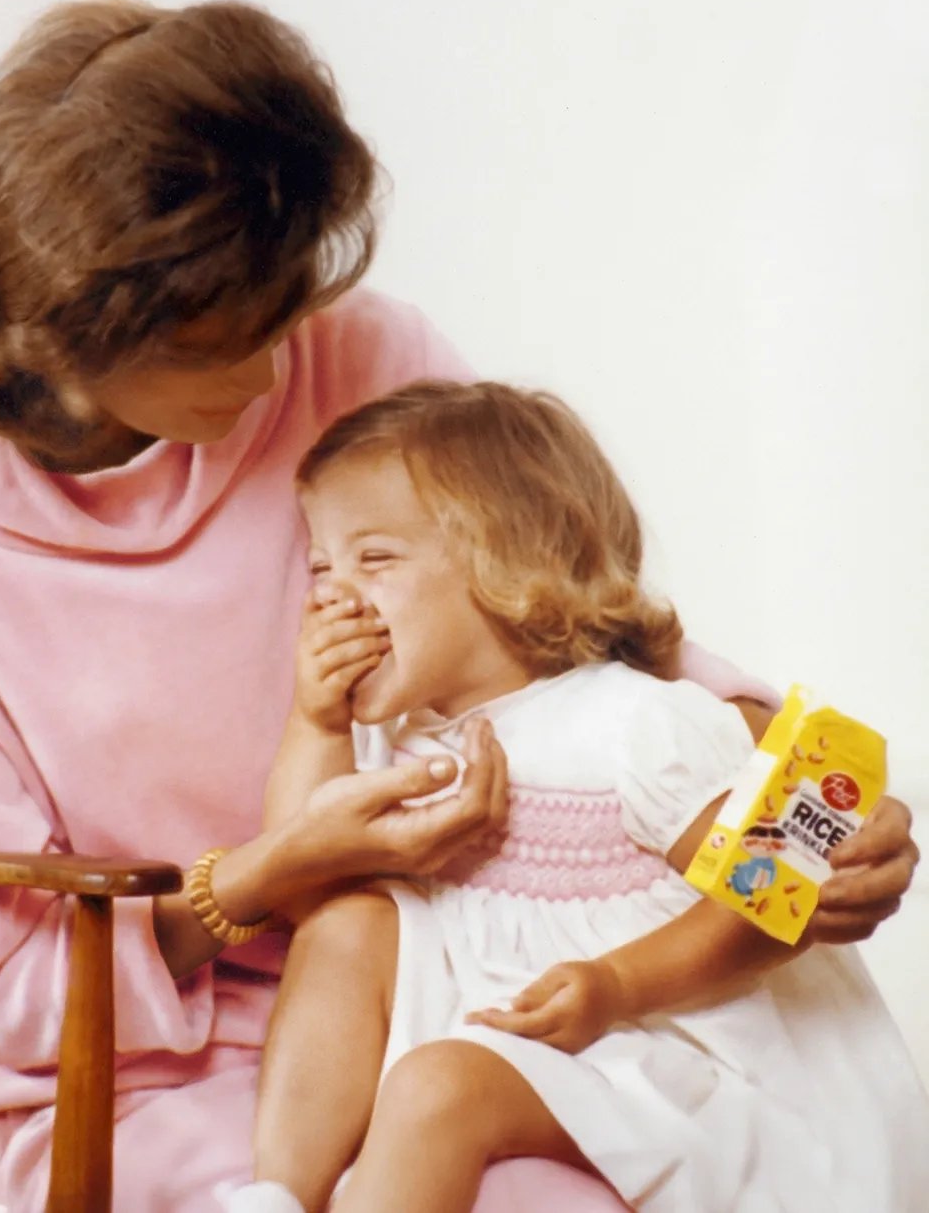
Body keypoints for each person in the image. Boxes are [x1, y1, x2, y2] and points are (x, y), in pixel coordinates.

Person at [0, 0, 920, 1212]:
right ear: (66, 322)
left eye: (283, 311)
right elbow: (22, 997)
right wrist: (272, 874)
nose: (270, 370)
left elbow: (567, 626)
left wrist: (802, 793)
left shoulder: (355, 360)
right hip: (142, 1072)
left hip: (451, 989)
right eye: (219, 336)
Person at [229, 381, 929, 1213]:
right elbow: (297, 876)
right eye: (320, 567)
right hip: (507, 1016)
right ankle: (272, 1196)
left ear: (508, 561)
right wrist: (317, 718)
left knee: (435, 1085)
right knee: (344, 921)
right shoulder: (403, 732)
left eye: (374, 558)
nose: (332, 597)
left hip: (656, 1029)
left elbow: (767, 907)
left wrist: (617, 985)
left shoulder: (633, 724)